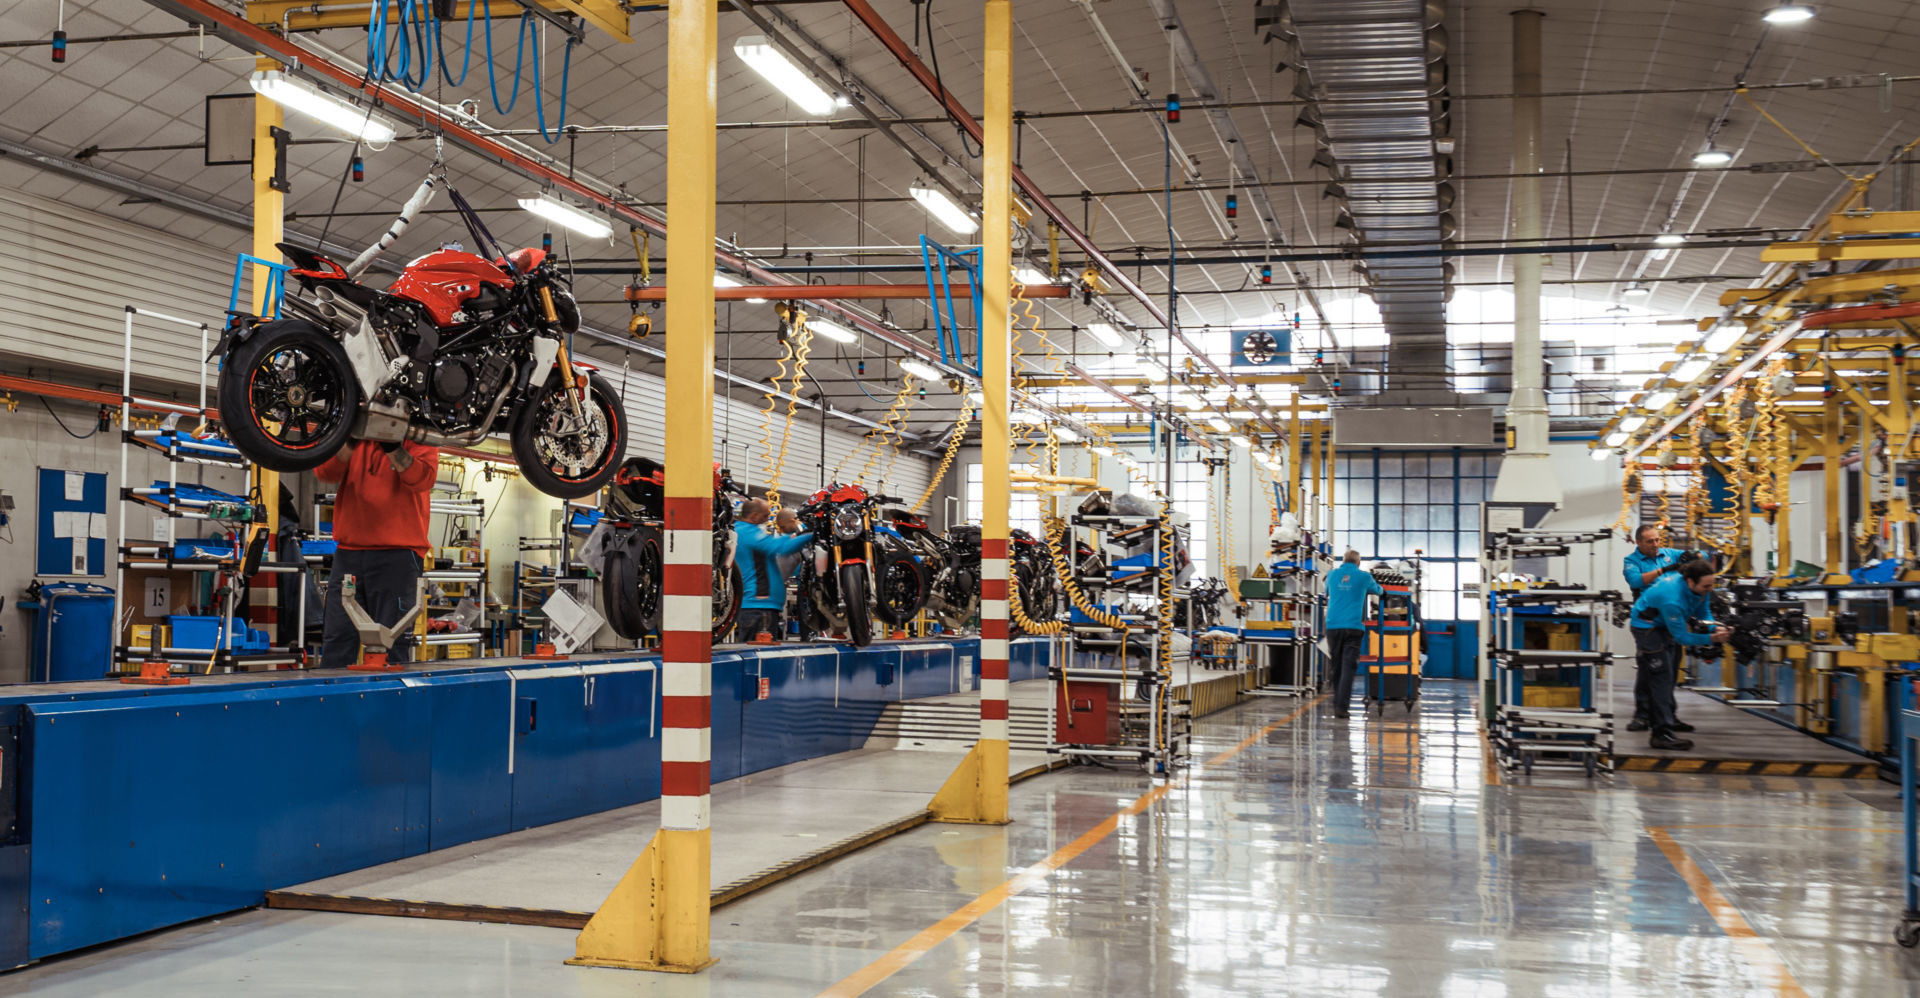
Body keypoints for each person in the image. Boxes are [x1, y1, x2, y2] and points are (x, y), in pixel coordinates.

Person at [316, 440, 439, 668]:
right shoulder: (352, 431)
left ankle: (390, 703)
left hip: (398, 555)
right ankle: (334, 701)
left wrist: (393, 446)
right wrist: (350, 440)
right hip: (348, 554)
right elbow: (324, 471)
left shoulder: (417, 433)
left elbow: (423, 479)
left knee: (392, 645)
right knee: (336, 644)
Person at [1629, 559, 1730, 751]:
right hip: (1647, 628)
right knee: (1661, 677)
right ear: (1690, 582)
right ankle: (1661, 734)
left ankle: (1667, 719)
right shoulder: (1672, 598)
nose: (1710, 589)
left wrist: (1716, 627)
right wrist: (1712, 639)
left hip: (1663, 625)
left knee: (1670, 675)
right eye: (1706, 586)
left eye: (1712, 585)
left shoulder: (1702, 588)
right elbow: (1683, 637)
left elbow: (1704, 611)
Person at [1621, 525, 1692, 733]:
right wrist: (1664, 570)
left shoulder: (1669, 554)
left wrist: (1695, 554)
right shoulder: (1631, 561)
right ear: (1639, 543)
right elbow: (1635, 580)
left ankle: (1668, 715)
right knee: (1648, 669)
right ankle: (1642, 716)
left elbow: (1701, 556)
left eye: (1657, 540)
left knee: (1670, 670)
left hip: (1672, 619)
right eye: (1650, 541)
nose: (1655, 544)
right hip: (1648, 624)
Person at [733, 498, 813, 642]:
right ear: (754, 516)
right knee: (757, 656)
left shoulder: (744, 531)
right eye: (765, 515)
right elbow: (781, 548)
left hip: (758, 607)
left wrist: (795, 536)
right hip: (758, 607)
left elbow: (775, 544)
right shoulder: (748, 533)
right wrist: (811, 535)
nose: (767, 519)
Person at [1324, 549, 1384, 719]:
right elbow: (1379, 591)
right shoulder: (1364, 576)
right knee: (1348, 667)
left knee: (1336, 666)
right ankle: (1342, 708)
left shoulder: (1332, 574)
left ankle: (1337, 704)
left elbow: (1326, 592)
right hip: (1353, 627)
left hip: (1333, 626)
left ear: (1343, 561)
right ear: (1358, 563)